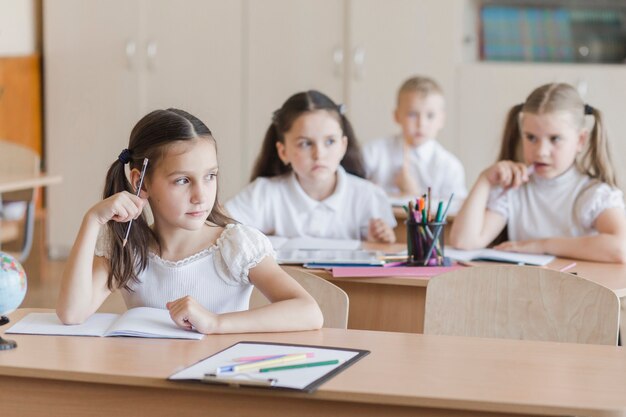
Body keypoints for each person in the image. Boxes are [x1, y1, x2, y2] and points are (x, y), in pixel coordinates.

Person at [56, 108, 323, 334]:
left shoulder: (236, 246)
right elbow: (72, 313)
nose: (200, 196)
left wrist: (216, 322)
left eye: (210, 176)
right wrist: (92, 221)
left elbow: (309, 312)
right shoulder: (130, 248)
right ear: (141, 182)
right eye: (182, 180)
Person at [450, 83, 626, 264]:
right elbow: (464, 242)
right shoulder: (513, 190)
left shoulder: (593, 194)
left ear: (580, 140)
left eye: (555, 139)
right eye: (531, 138)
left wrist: (542, 245)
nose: (541, 151)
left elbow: (621, 248)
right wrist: (484, 180)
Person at [226, 90, 396, 243]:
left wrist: (378, 242)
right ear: (283, 151)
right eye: (305, 144)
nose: (319, 155)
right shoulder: (264, 193)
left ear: (343, 146)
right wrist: (253, 237)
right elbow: (219, 229)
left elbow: (388, 254)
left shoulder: (368, 196)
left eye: (330, 141)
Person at [363, 76, 466, 208]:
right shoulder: (374, 152)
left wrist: (413, 194)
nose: (421, 124)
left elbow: (456, 209)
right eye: (412, 114)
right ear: (396, 116)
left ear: (442, 120)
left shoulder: (449, 166)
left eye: (430, 116)